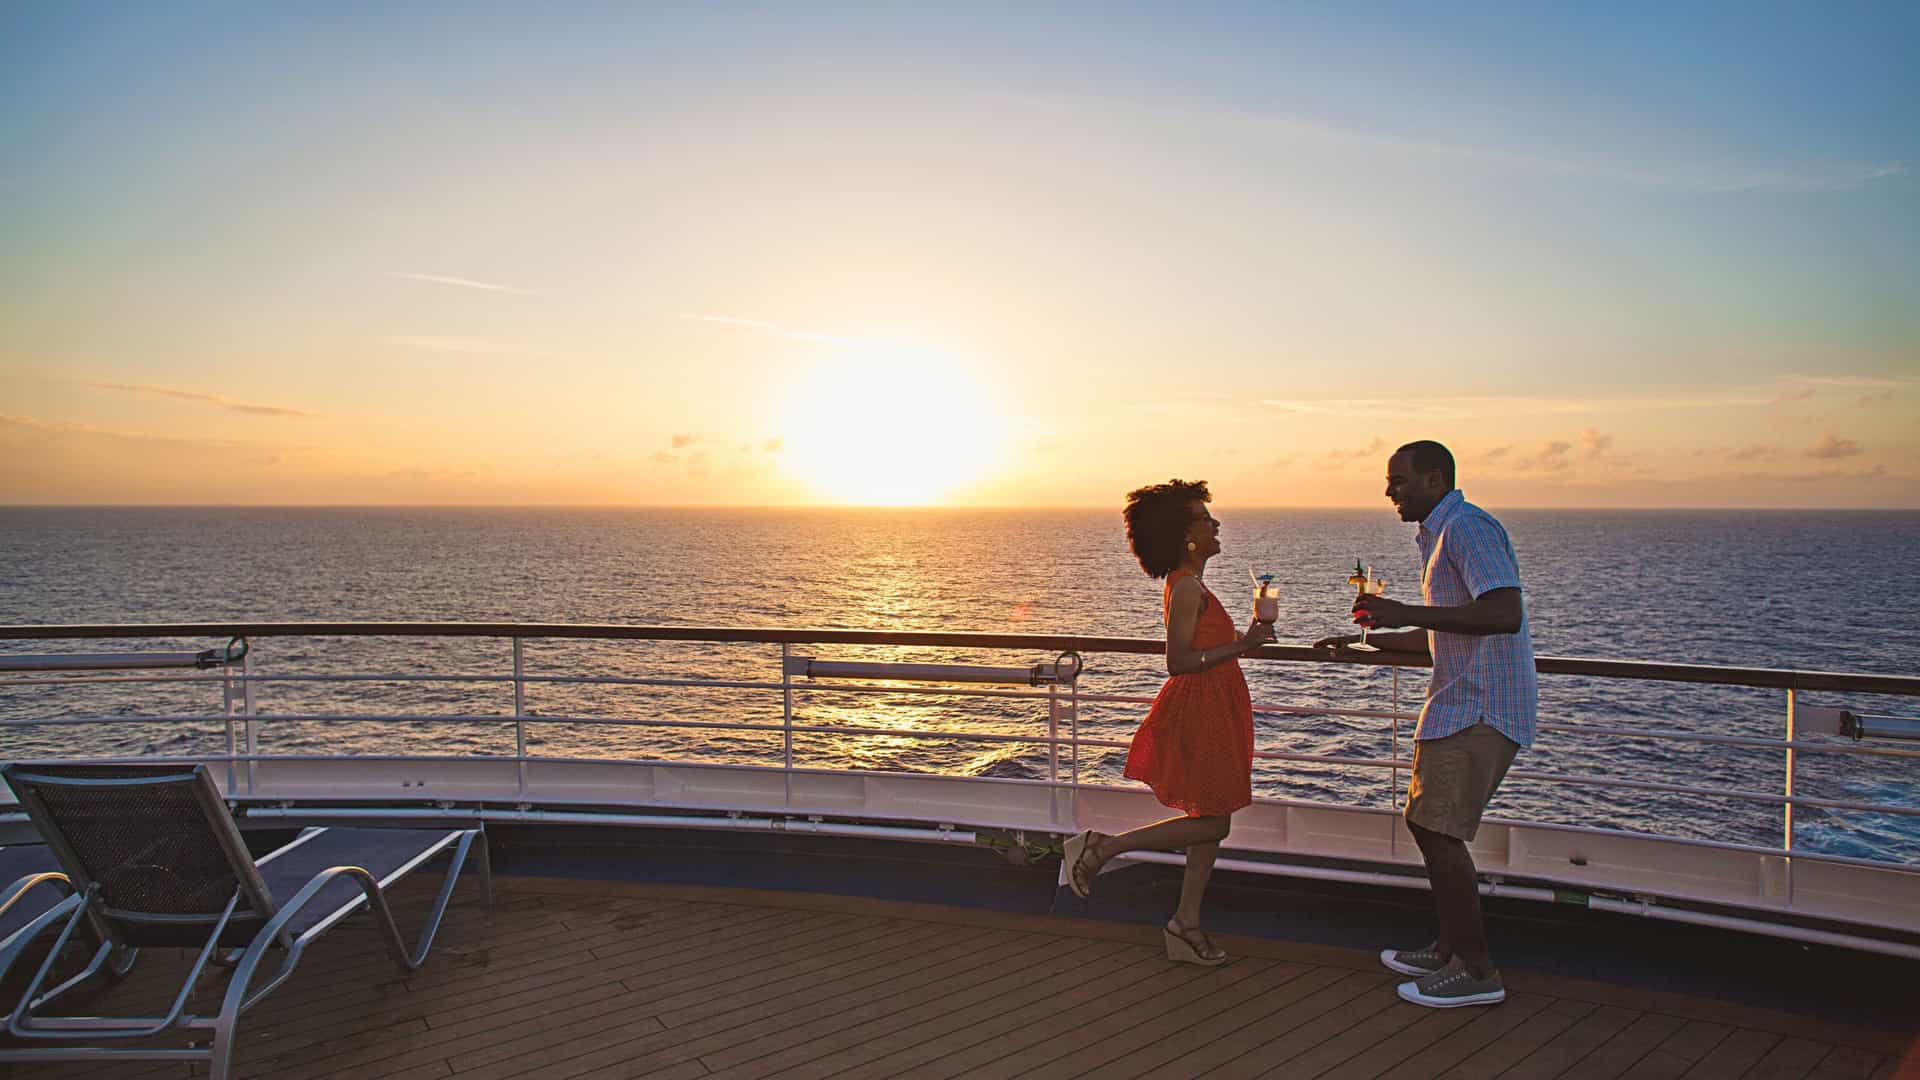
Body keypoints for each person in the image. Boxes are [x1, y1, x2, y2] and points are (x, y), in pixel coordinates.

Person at [1314, 440, 1536, 1008]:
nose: (1390, 491)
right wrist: (1371, 643)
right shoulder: (1439, 535)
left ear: (1435, 479)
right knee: (1426, 826)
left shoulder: (1467, 528)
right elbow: (1447, 630)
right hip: (1458, 701)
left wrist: (1406, 612)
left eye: (1400, 480)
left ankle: (1478, 970)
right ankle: (1449, 950)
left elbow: (1503, 612)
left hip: (1481, 705)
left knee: (1439, 832)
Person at [1061, 479, 1275, 966]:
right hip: (1201, 706)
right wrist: (1243, 644)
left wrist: (1241, 642)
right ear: (1185, 535)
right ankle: (1104, 847)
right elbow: (1178, 660)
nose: (1215, 524)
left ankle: (1186, 923)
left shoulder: (1194, 585)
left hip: (1218, 705)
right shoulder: (1185, 588)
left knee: (1207, 821)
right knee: (1214, 821)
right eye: (1204, 518)